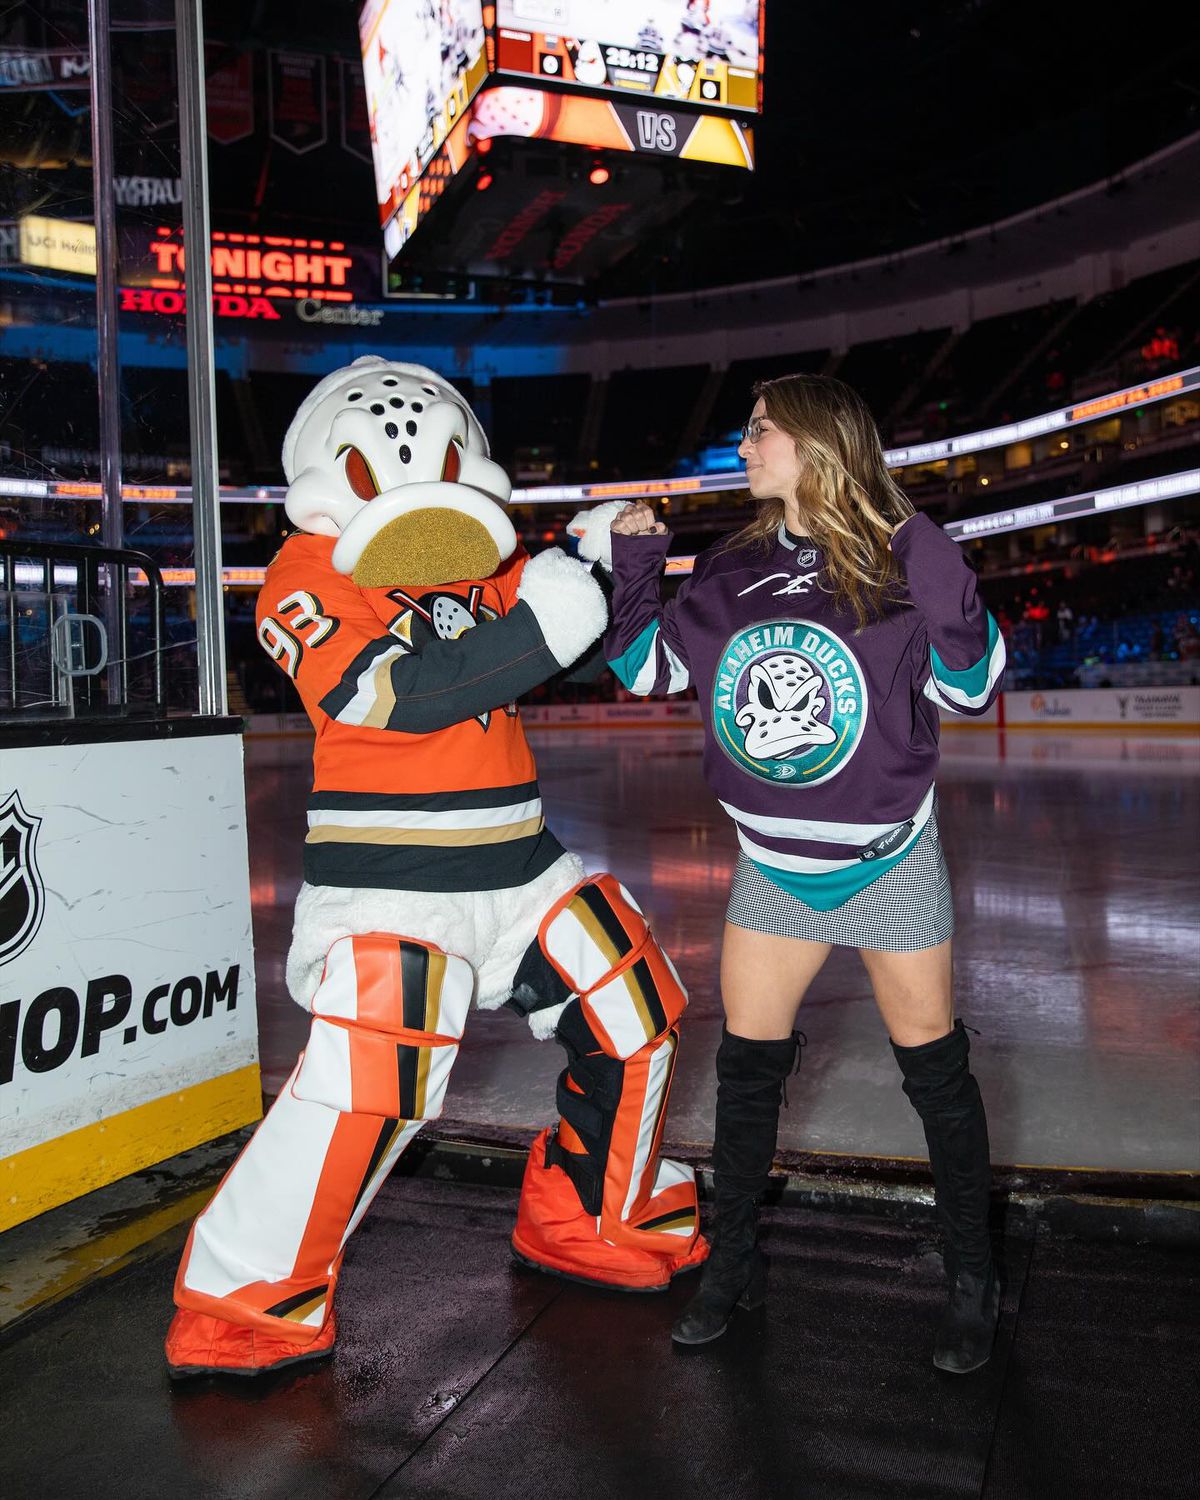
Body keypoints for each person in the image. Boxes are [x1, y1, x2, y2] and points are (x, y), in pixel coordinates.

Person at [164, 359, 705, 1378]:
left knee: (635, 1006)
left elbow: (560, 640)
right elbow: (396, 694)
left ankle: (592, 1212)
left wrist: (602, 553)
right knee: (378, 1075)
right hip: (388, 880)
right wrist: (548, 612)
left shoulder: (479, 564)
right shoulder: (306, 571)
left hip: (522, 861)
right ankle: (248, 1296)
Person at [572, 373, 1005, 1374]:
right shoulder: (730, 567)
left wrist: (920, 543)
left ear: (815, 442)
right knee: (746, 1078)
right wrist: (640, 560)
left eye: (760, 430)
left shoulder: (903, 563)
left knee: (936, 1080)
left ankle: (973, 1279)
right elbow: (644, 670)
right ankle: (733, 1268)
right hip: (773, 871)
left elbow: (974, 685)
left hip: (887, 865)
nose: (744, 444)